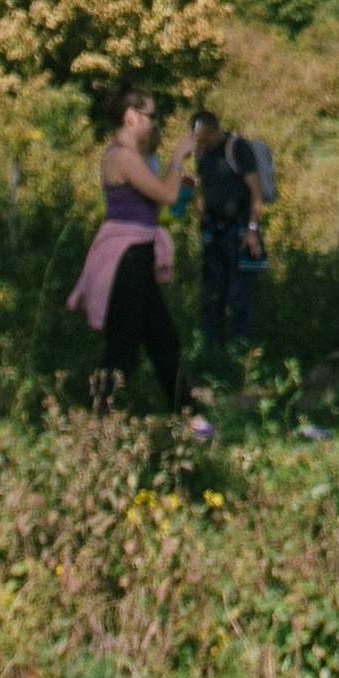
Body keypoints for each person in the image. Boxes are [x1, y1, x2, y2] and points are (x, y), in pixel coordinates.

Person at [65, 87, 210, 436]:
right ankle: (97, 425)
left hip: (138, 254)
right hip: (125, 258)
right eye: (150, 116)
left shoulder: (135, 156)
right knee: (123, 349)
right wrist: (178, 158)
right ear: (131, 116)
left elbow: (158, 204)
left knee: (163, 338)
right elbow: (167, 195)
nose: (154, 123)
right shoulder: (123, 158)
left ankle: (188, 414)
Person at [190, 109, 269, 356]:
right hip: (214, 230)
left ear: (216, 130)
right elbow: (203, 186)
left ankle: (239, 353)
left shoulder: (237, 149)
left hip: (240, 231)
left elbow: (256, 193)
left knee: (239, 295)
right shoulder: (202, 152)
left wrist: (252, 231)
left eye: (204, 138)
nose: (201, 143)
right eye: (197, 139)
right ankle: (211, 353)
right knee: (212, 293)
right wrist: (201, 211)